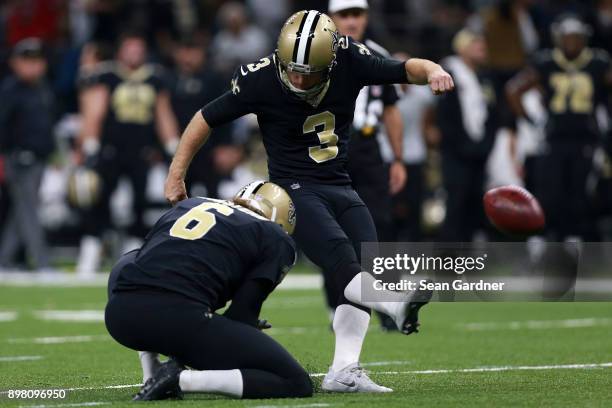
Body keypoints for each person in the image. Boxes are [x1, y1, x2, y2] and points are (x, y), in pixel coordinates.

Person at [164, 10, 453, 392]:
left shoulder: (350, 57)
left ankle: (344, 370)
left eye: (309, 72)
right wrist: (176, 172)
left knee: (365, 263)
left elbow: (404, 69)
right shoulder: (261, 77)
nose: (299, 79)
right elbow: (205, 118)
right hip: (293, 189)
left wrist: (433, 70)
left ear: (331, 61)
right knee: (343, 263)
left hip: (340, 183)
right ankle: (396, 305)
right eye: (293, 70)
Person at [105, 181, 311, 400]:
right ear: (280, 223)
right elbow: (241, 314)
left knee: (134, 259)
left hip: (120, 315)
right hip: (178, 318)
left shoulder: (191, 204)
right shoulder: (275, 237)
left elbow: (135, 263)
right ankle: (180, 380)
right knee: (296, 382)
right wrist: (244, 328)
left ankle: (151, 368)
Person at [328, 0, 406, 331]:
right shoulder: (321, 52)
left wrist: (398, 158)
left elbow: (390, 108)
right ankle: (338, 305)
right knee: (334, 230)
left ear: (366, 17)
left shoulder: (376, 52)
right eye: (344, 14)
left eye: (356, 14)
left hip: (369, 145)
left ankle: (388, 304)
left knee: (379, 225)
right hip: (330, 147)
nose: (351, 21)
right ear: (332, 17)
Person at [75, 31, 180, 276]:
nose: (134, 53)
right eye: (129, 48)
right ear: (121, 51)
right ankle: (90, 254)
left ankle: (131, 256)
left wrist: (173, 145)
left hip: (141, 151)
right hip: (111, 148)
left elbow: (163, 115)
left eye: (138, 48)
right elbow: (95, 111)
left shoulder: (155, 77)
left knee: (139, 203)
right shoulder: (108, 75)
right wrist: (90, 143)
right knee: (99, 200)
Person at [506, 15, 612, 241]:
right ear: (558, 39)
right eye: (567, 37)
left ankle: (575, 239)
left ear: (584, 39)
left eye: (576, 37)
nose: (571, 42)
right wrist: (531, 121)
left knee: (581, 192)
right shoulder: (546, 62)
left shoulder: (598, 62)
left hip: (586, 137)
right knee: (550, 192)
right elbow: (513, 90)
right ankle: (547, 239)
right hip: (554, 136)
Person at [436, 29, 497, 242]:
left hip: (479, 151)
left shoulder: (484, 77)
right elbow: (445, 116)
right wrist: (463, 144)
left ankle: (467, 260)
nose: (483, 49)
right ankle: (447, 260)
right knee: (456, 204)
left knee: (474, 205)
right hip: (456, 152)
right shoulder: (449, 72)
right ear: (463, 48)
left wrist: (485, 144)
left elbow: (492, 113)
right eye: (476, 45)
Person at [0, 38, 54, 271]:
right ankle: (42, 262)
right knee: (29, 210)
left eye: (37, 61)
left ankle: (4, 260)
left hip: (40, 157)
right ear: (15, 63)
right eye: (27, 61)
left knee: (21, 211)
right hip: (18, 158)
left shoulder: (43, 88)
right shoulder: (10, 90)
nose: (34, 66)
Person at [168, 38, 240, 198]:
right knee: (176, 195)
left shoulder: (214, 80)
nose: (188, 57)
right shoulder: (168, 80)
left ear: (202, 54)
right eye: (184, 51)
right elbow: (163, 116)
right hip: (176, 149)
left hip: (208, 149)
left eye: (193, 52)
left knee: (212, 196)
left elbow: (226, 114)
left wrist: (225, 145)